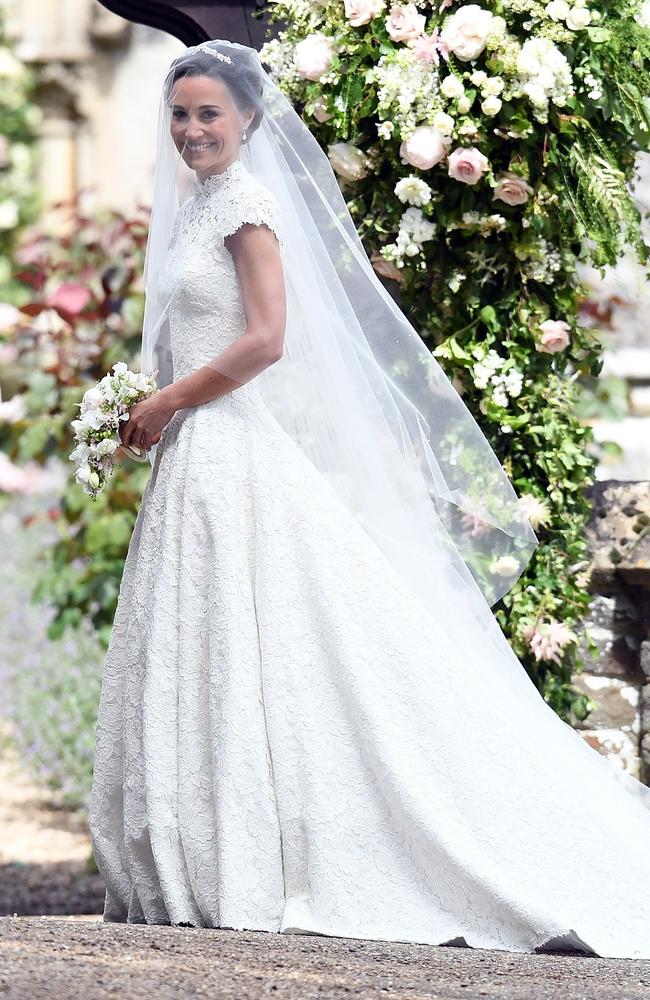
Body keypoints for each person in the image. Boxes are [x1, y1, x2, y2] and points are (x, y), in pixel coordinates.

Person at [88, 39, 650, 959]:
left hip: (229, 443)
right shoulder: (194, 210)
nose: (191, 130)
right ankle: (199, 854)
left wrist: (165, 402)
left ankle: (271, 855)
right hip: (194, 453)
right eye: (181, 114)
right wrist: (138, 406)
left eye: (209, 115)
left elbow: (266, 340)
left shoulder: (247, 208)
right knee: (212, 637)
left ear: (249, 122)